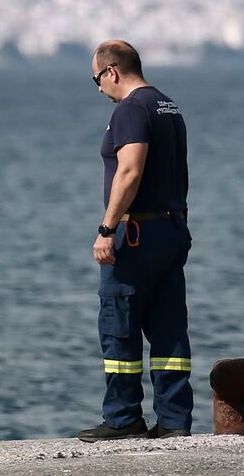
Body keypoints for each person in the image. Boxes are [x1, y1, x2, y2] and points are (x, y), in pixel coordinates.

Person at [77, 39, 194, 441]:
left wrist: (107, 230)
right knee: (168, 327)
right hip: (172, 228)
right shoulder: (168, 106)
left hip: (137, 233)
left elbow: (130, 171)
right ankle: (175, 421)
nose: (98, 89)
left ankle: (124, 418)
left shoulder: (131, 109)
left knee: (119, 322)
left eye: (97, 79)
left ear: (111, 71)